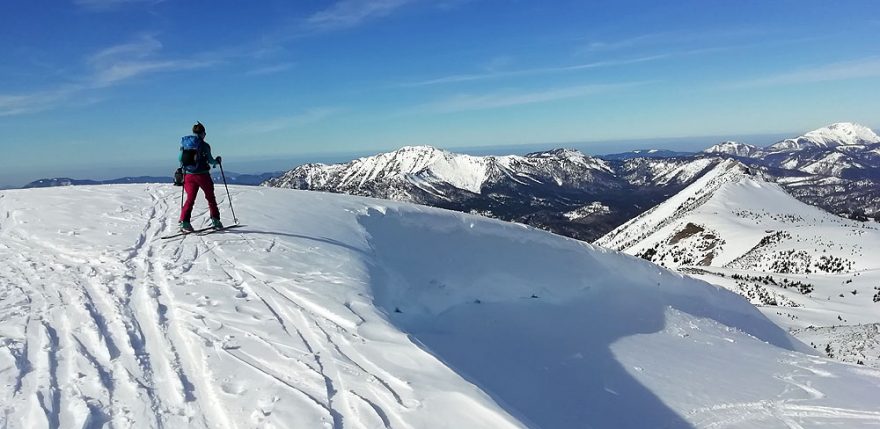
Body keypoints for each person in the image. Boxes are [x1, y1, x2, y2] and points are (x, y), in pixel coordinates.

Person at [178, 122, 223, 232]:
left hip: (188, 175)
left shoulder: (185, 145)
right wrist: (217, 161)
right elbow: (211, 160)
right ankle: (216, 221)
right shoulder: (204, 145)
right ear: (203, 133)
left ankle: (184, 222)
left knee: (190, 199)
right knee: (210, 198)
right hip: (203, 175)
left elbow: (180, 159)